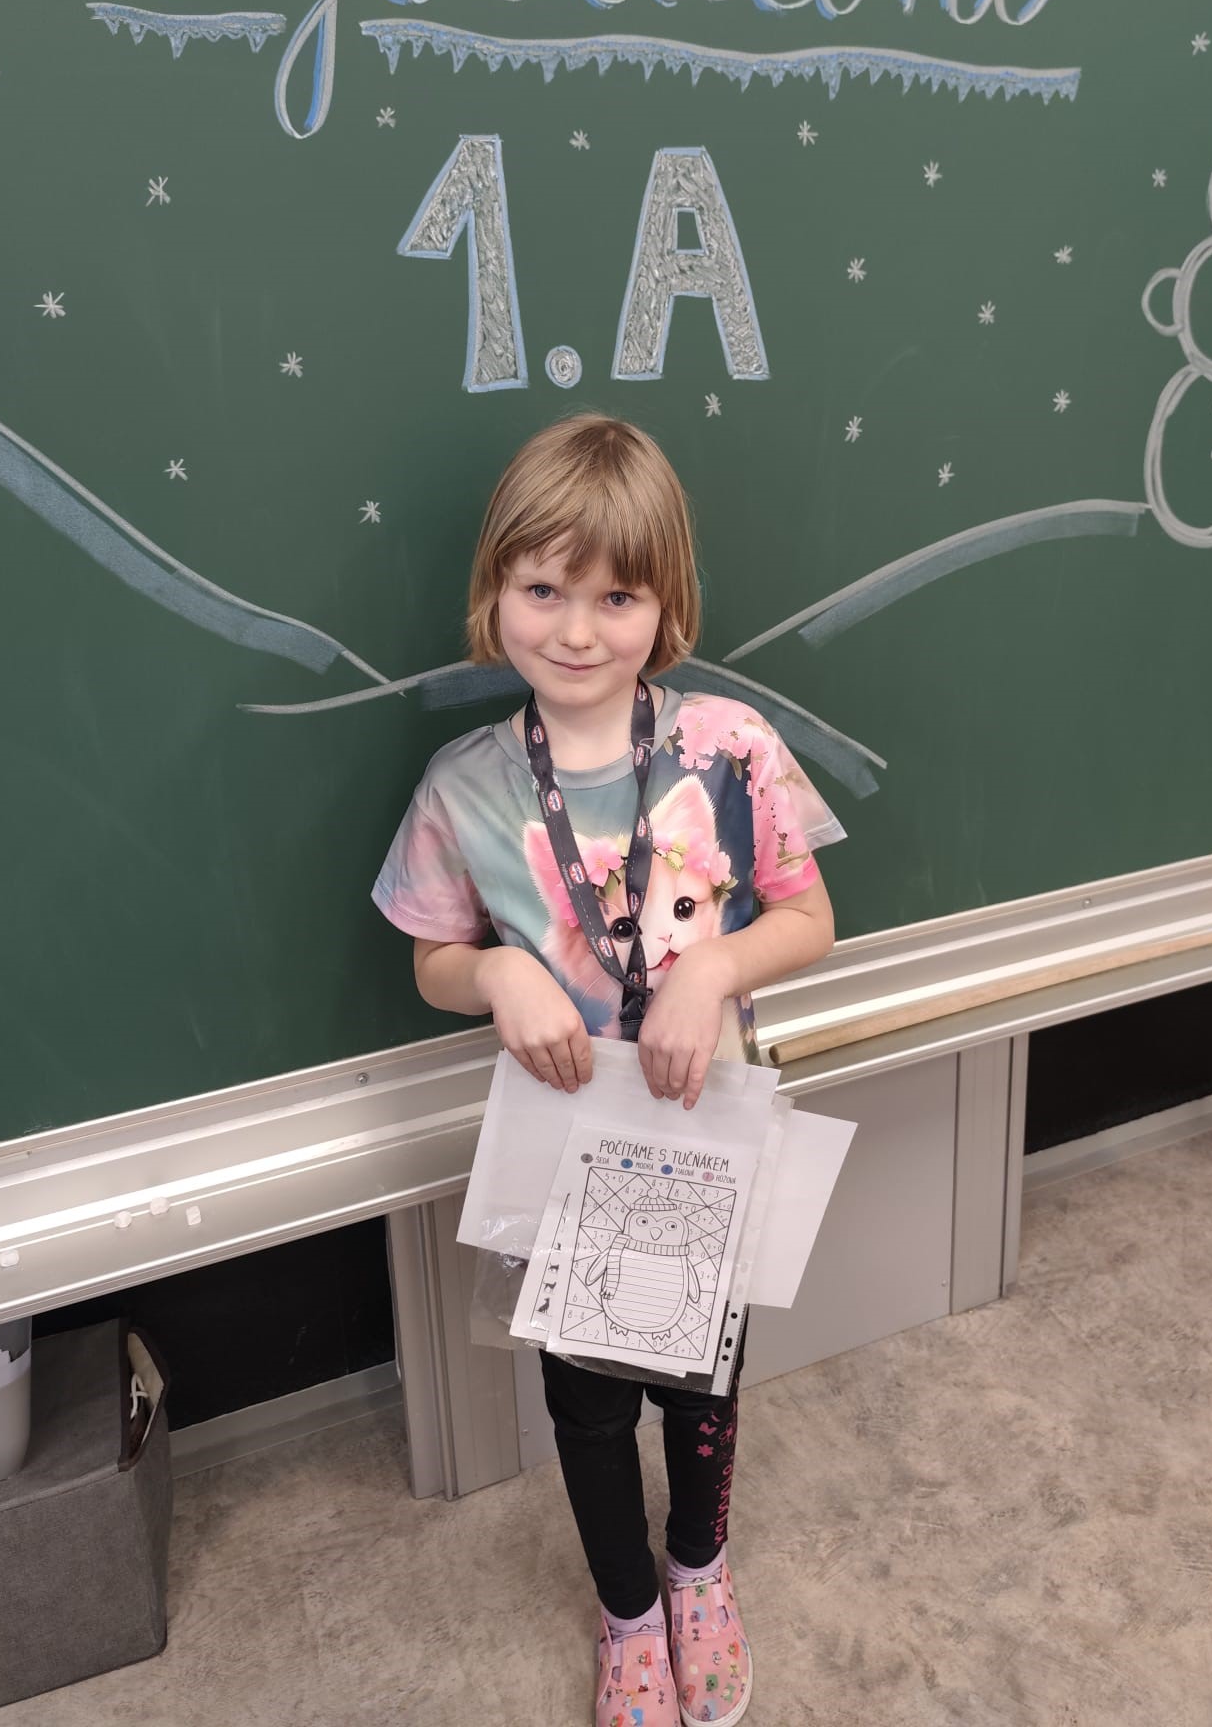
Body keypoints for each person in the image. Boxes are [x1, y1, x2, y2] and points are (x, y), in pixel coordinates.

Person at [372, 413, 842, 1727]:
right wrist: (495, 976)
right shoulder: (463, 786)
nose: (576, 631)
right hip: (562, 1147)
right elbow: (431, 962)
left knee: (702, 1380)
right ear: (495, 594)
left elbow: (810, 918)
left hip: (702, 1135)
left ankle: (698, 1570)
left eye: (616, 597)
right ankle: (627, 1610)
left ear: (664, 606)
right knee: (582, 1401)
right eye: (543, 590)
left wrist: (712, 967)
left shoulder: (729, 749)